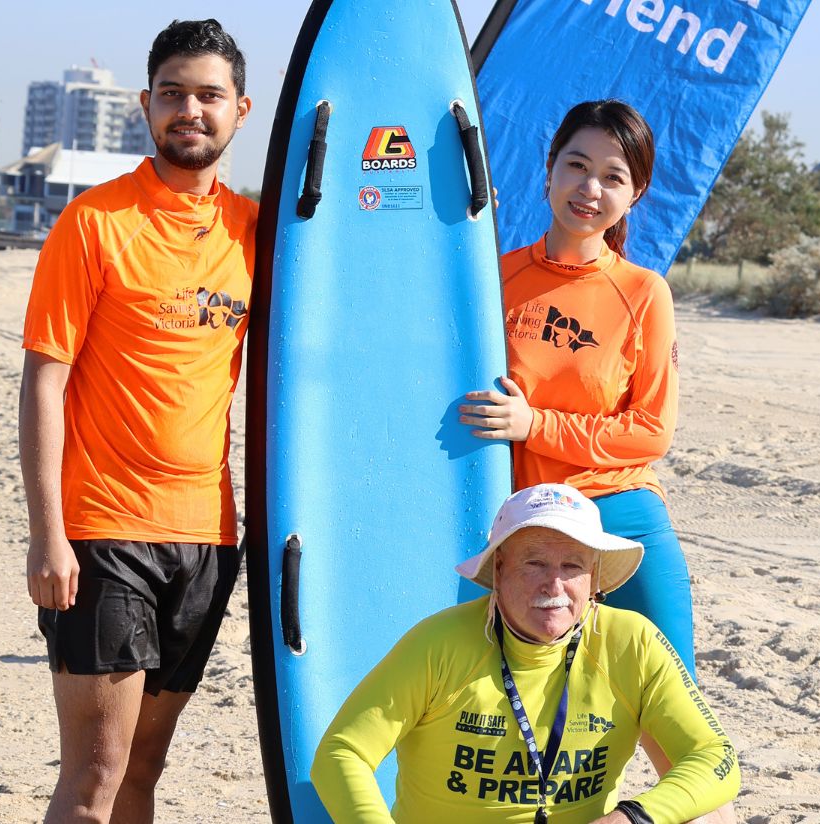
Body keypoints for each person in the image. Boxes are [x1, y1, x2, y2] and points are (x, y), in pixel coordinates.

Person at [18, 19, 255, 823]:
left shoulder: (256, 235)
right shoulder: (95, 222)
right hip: (104, 531)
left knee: (142, 773)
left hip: (208, 540)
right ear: (144, 106)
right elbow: (44, 382)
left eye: (209, 96)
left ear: (240, 109)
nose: (191, 110)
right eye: (173, 94)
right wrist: (47, 531)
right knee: (94, 778)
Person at [312, 483, 740, 823]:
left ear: (593, 578)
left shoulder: (631, 641)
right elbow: (341, 753)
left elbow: (715, 757)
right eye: (533, 563)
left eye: (572, 566)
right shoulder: (437, 644)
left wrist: (632, 817)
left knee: (710, 814)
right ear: (497, 571)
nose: (553, 586)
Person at [460, 100, 695, 684]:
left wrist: (533, 425)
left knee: (675, 704)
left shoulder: (643, 293)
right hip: (528, 527)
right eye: (577, 166)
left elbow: (651, 431)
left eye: (613, 177)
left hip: (621, 516)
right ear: (549, 169)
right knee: (538, 709)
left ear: (634, 194)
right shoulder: (495, 281)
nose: (590, 188)